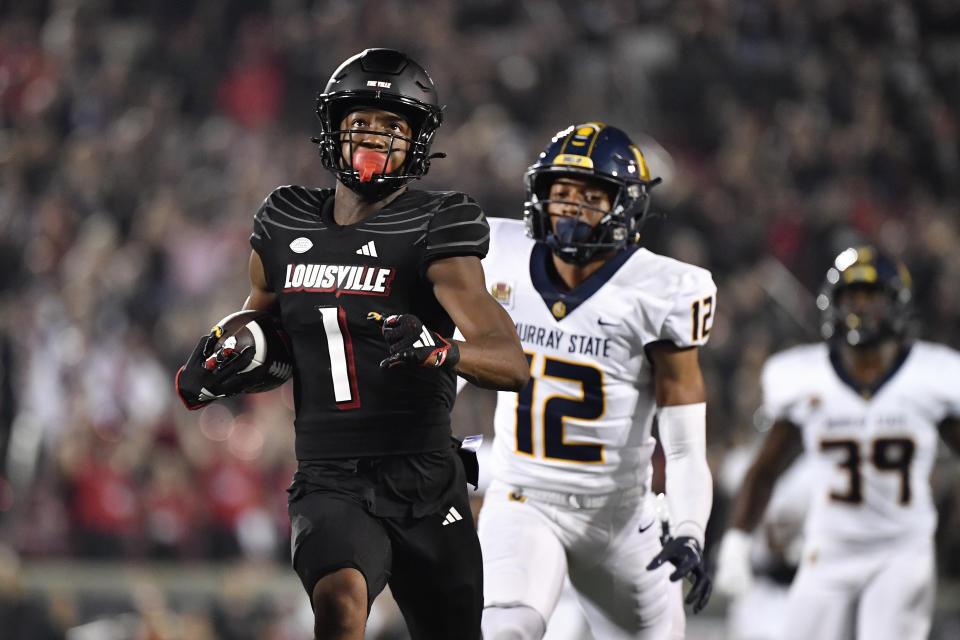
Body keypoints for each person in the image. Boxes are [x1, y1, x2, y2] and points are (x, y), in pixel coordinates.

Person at [176, 48, 529, 640]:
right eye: (362, 120)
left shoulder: (435, 226)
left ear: (417, 141)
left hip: (425, 476)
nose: (375, 136)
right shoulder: (286, 223)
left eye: (394, 125)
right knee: (339, 604)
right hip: (329, 474)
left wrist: (447, 352)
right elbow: (261, 325)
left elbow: (512, 362)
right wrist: (223, 356)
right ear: (334, 129)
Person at [471, 123, 715, 640]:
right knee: (505, 632)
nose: (571, 208)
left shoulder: (663, 290)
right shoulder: (497, 254)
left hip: (621, 516)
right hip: (523, 498)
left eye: (589, 196)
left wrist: (690, 528)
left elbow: (688, 446)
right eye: (560, 194)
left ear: (624, 206)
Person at [714, 246, 960, 640]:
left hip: (901, 550)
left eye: (870, 298)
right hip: (828, 548)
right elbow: (766, 469)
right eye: (850, 298)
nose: (858, 309)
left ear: (895, 304)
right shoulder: (806, 377)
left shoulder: (930, 376)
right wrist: (737, 541)